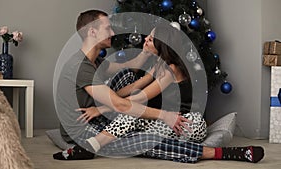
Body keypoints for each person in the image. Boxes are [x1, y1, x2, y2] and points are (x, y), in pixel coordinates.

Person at [54, 9, 264, 163]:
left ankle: (92, 146)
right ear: (91, 32)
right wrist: (110, 106)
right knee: (137, 126)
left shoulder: (168, 70)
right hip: (166, 122)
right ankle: (93, 144)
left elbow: (133, 95)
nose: (112, 31)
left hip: (186, 123)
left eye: (151, 39)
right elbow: (135, 90)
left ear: (162, 44)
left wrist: (102, 108)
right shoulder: (82, 66)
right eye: (107, 27)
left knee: (135, 121)